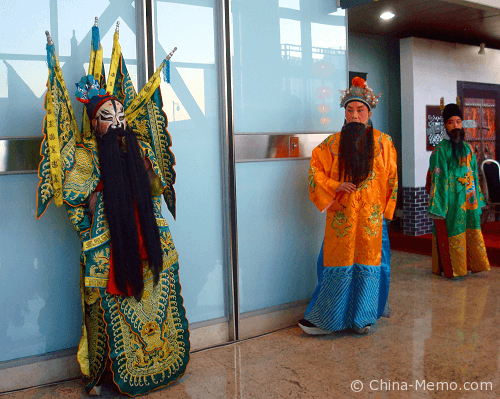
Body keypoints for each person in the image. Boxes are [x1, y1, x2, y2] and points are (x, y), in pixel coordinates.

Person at [63, 78, 190, 396]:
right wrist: (88, 230)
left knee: (158, 295)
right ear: (95, 123)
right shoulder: (85, 156)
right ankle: (105, 374)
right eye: (108, 115)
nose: (117, 121)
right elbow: (73, 202)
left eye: (120, 114)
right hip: (108, 243)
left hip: (149, 235)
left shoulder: (141, 148)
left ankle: (160, 364)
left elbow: (156, 187)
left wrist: (146, 168)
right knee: (108, 313)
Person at [299, 77, 398, 335]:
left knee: (369, 264)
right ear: (344, 113)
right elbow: (314, 173)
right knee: (337, 263)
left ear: (369, 113)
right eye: (350, 110)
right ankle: (327, 319)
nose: (355, 116)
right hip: (341, 217)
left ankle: (363, 318)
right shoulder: (330, 145)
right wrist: (334, 185)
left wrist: (384, 213)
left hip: (370, 220)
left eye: (360, 111)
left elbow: (392, 179)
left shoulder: (384, 143)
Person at [426, 103, 490, 278]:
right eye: (451, 122)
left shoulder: (468, 148)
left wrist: (477, 200)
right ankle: (454, 268)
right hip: (451, 201)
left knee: (471, 229)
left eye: (458, 121)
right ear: (445, 126)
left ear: (462, 124)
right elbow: (438, 179)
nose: (455, 126)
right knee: (454, 231)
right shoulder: (440, 150)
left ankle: (470, 264)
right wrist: (440, 207)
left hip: (468, 199)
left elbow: (474, 175)